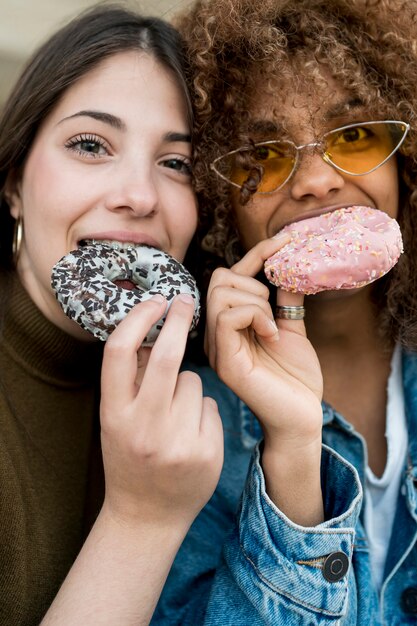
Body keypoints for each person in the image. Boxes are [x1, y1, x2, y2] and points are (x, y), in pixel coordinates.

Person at [151, 0, 417, 623]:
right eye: (262, 156)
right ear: (219, 203)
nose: (316, 182)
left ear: (407, 162)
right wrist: (294, 453)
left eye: (354, 137)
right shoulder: (187, 424)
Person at [0, 4, 223, 625]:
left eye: (176, 162)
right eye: (91, 144)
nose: (139, 195)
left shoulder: (218, 392)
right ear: (14, 181)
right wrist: (142, 517)